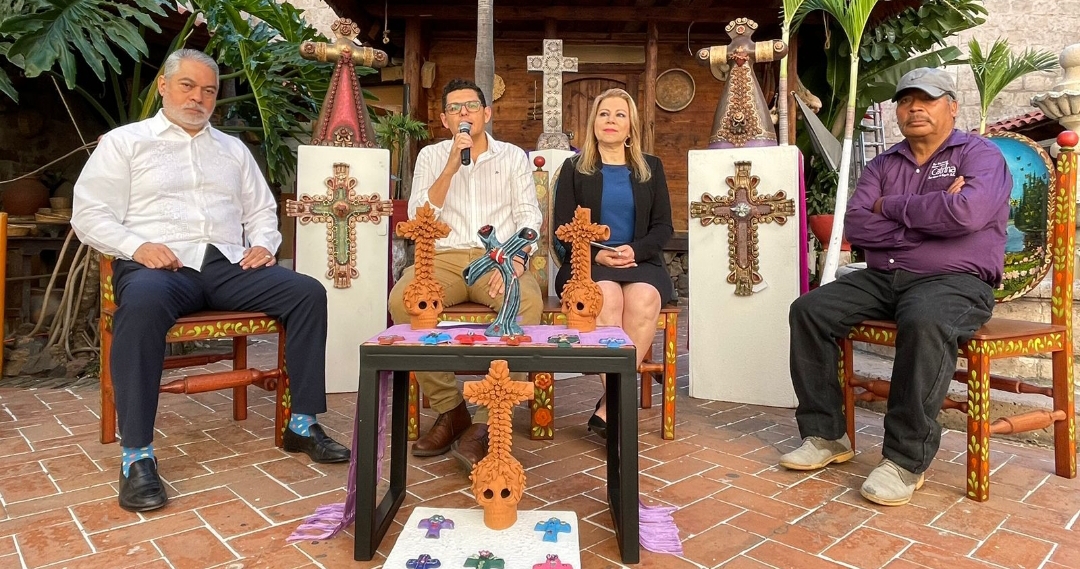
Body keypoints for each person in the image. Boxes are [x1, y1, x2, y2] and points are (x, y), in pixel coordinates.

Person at [71, 49, 349, 513]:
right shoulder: (125, 143)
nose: (198, 98)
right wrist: (137, 246)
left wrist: (264, 243)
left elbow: (261, 210)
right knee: (140, 306)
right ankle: (137, 455)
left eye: (208, 91)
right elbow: (90, 214)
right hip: (159, 267)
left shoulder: (232, 150)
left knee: (306, 292)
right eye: (188, 86)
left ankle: (301, 424)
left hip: (226, 266)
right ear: (164, 86)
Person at [780, 67, 1011, 506]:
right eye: (906, 100)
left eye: (927, 99)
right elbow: (857, 224)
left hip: (955, 282)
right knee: (809, 310)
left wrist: (890, 207)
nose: (914, 108)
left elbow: (967, 214)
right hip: (885, 277)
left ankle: (905, 460)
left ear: (952, 107)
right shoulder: (884, 163)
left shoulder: (979, 155)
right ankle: (826, 435)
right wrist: (931, 220)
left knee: (924, 320)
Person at [387, 78, 543, 469]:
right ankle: (450, 408)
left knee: (524, 302)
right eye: (455, 108)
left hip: (499, 254)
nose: (464, 114)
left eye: (471, 106)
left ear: (486, 114)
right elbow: (419, 217)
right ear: (444, 119)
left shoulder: (512, 157)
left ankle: (487, 421)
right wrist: (451, 167)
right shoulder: (431, 157)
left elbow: (529, 216)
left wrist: (515, 258)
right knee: (405, 301)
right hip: (443, 255)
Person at [553, 88, 675, 439]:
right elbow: (562, 226)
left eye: (620, 115)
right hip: (587, 260)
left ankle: (611, 404)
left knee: (644, 299)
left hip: (640, 259)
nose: (611, 121)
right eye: (604, 114)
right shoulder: (574, 169)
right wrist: (596, 253)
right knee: (606, 296)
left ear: (630, 126)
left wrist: (634, 251)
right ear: (594, 123)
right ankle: (622, 403)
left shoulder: (650, 168)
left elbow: (663, 227)